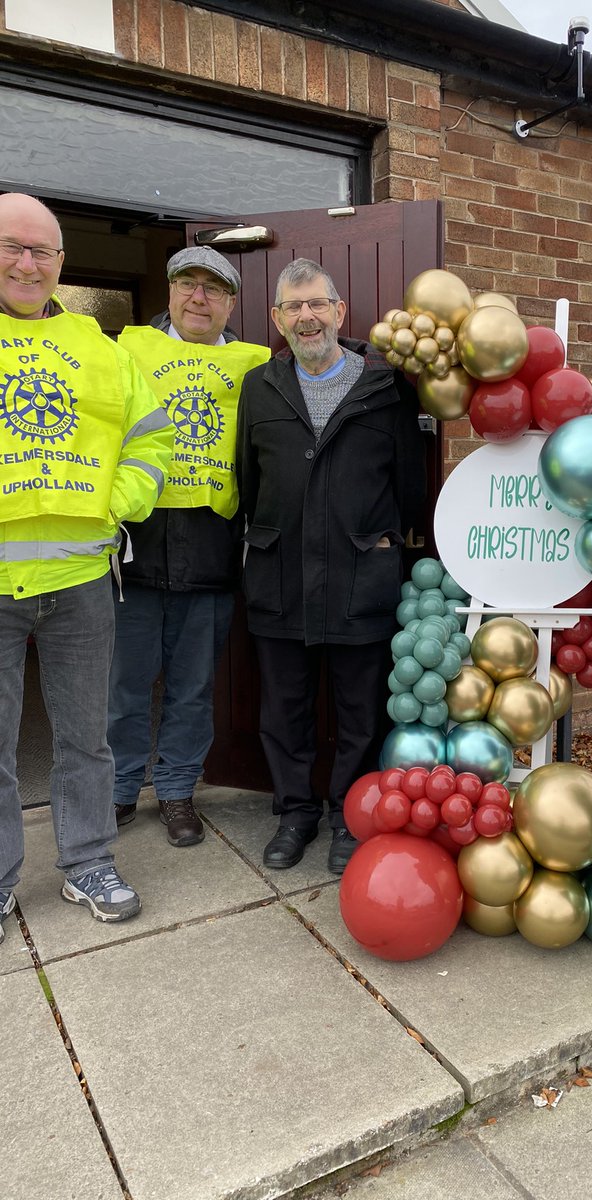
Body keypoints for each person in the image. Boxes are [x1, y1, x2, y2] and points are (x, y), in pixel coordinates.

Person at [0, 193, 173, 937]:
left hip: (80, 582)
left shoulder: (103, 348)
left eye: (41, 251)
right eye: (12, 246)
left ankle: (88, 862)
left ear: (61, 263)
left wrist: (118, 505)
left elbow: (153, 438)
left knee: (85, 736)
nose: (27, 263)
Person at [237, 259, 426, 875]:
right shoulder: (259, 388)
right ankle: (296, 813)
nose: (306, 317)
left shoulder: (385, 386)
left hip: (358, 576)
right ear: (277, 319)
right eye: (293, 307)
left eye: (317, 304)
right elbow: (248, 478)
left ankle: (351, 814)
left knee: (358, 710)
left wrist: (386, 540)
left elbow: (408, 482)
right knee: (284, 709)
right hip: (280, 574)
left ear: (341, 312)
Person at [109, 249, 269, 846]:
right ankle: (122, 790)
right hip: (135, 551)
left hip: (211, 550)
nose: (199, 297)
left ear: (232, 303)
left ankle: (176, 792)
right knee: (124, 684)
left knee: (193, 686)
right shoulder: (124, 352)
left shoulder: (253, 366)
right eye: (188, 285)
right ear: (171, 293)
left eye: (214, 289)